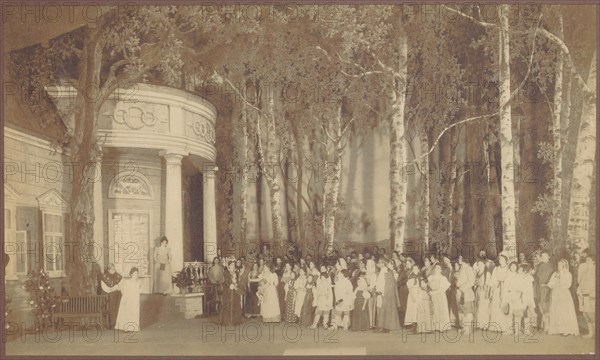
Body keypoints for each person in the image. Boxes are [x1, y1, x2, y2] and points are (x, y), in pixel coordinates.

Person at [547, 259, 579, 336]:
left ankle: (566, 329)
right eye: (558, 265)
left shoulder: (568, 274)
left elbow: (568, 284)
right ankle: (556, 329)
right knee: (556, 309)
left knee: (564, 310)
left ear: (564, 265)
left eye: (560, 265)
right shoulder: (555, 273)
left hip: (564, 293)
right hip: (555, 293)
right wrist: (554, 284)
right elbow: (550, 284)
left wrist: (560, 281)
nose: (559, 266)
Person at [374, 258, 401, 333]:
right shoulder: (382, 271)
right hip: (381, 292)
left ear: (383, 263)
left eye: (380, 262)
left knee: (385, 310)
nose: (378, 264)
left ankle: (385, 326)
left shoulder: (387, 271)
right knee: (381, 309)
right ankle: (382, 326)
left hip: (385, 293)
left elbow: (388, 284)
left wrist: (382, 292)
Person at [405, 264, 432, 333]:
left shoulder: (420, 277)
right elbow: (409, 288)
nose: (415, 270)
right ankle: (414, 326)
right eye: (413, 269)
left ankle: (419, 325)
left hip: (419, 294)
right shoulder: (411, 277)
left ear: (419, 270)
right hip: (413, 294)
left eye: (416, 269)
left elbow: (423, 286)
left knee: (419, 309)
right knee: (413, 310)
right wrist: (412, 296)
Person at [114, 267, 142, 332]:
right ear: (131, 274)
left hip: (135, 301)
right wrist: (124, 300)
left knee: (134, 313)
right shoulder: (127, 282)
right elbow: (125, 292)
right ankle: (126, 327)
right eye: (134, 274)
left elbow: (140, 291)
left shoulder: (139, 283)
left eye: (137, 274)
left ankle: (134, 327)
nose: (136, 275)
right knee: (127, 313)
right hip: (128, 299)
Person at [489, 254, 512, 333]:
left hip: (505, 290)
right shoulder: (496, 269)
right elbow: (493, 280)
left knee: (503, 306)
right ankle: (495, 326)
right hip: (497, 289)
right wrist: (492, 291)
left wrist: (505, 286)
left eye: (502, 259)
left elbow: (509, 280)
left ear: (506, 260)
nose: (500, 260)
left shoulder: (508, 269)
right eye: (500, 259)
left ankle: (504, 327)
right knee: (495, 306)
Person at [428, 263, 451, 332]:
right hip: (432, 295)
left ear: (441, 270)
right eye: (436, 267)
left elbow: (442, 289)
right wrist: (429, 292)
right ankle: (435, 327)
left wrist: (434, 293)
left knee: (441, 310)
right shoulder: (430, 277)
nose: (436, 269)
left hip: (440, 295)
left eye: (438, 268)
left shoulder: (443, 278)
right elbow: (428, 286)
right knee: (434, 310)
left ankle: (442, 327)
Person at [219, 261, 244, 326]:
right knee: (228, 303)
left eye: (234, 265)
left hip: (235, 290)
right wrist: (230, 284)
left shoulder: (236, 273)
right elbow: (226, 282)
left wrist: (236, 285)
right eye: (232, 265)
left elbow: (238, 281)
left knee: (236, 303)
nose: (233, 266)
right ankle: (228, 321)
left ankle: (236, 320)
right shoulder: (226, 273)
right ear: (229, 266)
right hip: (228, 291)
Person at [535, 250, 554, 332]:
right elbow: (536, 277)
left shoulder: (552, 266)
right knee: (540, 307)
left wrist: (548, 286)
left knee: (546, 307)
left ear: (548, 257)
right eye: (542, 256)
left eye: (545, 255)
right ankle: (543, 326)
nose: (543, 257)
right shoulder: (539, 266)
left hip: (547, 289)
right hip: (539, 288)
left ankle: (547, 326)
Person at [577, 253, 595, 338]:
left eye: (589, 260)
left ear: (593, 262)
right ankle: (590, 332)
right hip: (584, 296)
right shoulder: (584, 272)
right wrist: (579, 292)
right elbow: (581, 284)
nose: (587, 261)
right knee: (585, 314)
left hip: (592, 296)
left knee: (592, 314)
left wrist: (593, 294)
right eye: (586, 260)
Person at [455, 257, 475, 333]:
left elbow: (471, 281)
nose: (459, 259)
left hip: (466, 292)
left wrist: (462, 289)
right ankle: (463, 326)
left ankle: (468, 328)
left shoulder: (469, 269)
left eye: (460, 258)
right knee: (461, 310)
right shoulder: (461, 268)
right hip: (459, 292)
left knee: (467, 310)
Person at [100, 263, 123, 330]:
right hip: (106, 295)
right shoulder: (104, 276)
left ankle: (115, 324)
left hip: (116, 296)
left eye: (114, 268)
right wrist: (112, 289)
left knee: (116, 309)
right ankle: (107, 325)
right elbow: (104, 287)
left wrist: (116, 288)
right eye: (111, 269)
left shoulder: (118, 276)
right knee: (106, 309)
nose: (113, 270)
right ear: (108, 270)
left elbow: (121, 286)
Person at [505, 261, 523, 335]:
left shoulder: (519, 276)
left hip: (517, 296)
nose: (513, 268)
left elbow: (521, 287)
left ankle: (517, 330)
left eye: (514, 266)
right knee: (509, 313)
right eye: (511, 266)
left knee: (517, 313)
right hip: (509, 295)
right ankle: (509, 330)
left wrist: (517, 295)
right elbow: (506, 287)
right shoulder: (507, 276)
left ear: (516, 267)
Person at [473, 260, 492, 330]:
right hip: (478, 291)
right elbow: (474, 282)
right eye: (478, 264)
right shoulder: (477, 273)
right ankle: (479, 324)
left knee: (484, 308)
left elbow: (489, 284)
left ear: (484, 265)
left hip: (484, 291)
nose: (479, 266)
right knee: (478, 307)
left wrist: (488, 293)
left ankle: (485, 324)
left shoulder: (487, 273)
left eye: (481, 264)